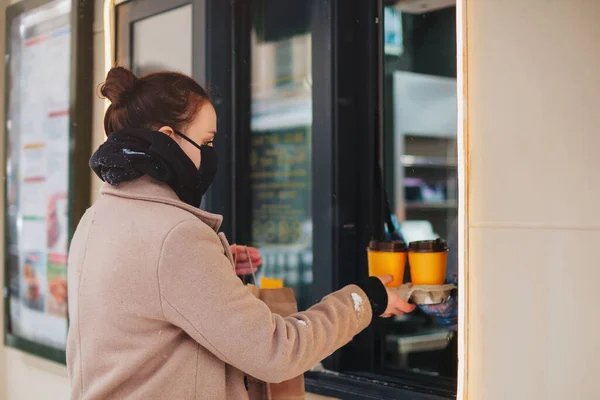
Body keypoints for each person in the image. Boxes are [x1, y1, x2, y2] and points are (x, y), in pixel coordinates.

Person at [66, 67, 416, 399]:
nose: (210, 155)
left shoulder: (98, 218)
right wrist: (366, 299)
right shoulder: (175, 237)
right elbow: (277, 351)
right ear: (168, 139)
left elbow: (143, 294)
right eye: (206, 142)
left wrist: (214, 266)